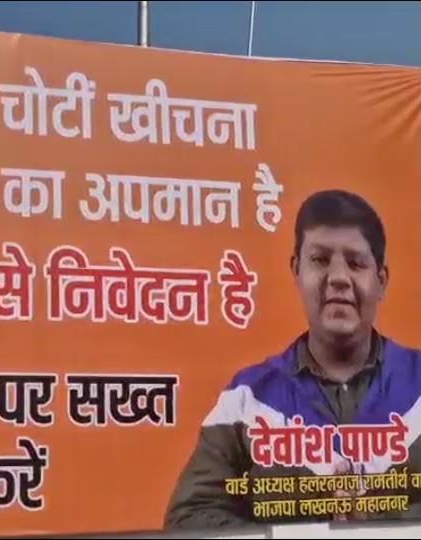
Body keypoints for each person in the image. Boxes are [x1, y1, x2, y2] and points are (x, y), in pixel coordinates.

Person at [164, 189, 421, 529]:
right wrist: (308, 531)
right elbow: (189, 518)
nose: (339, 278)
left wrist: (373, 522)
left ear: (381, 281)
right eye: (320, 260)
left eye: (356, 263)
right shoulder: (247, 400)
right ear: (297, 271)